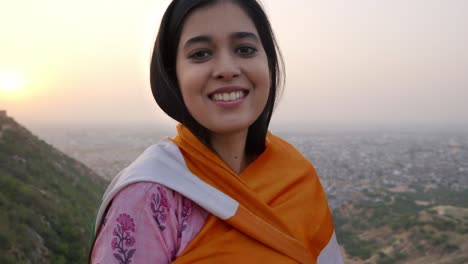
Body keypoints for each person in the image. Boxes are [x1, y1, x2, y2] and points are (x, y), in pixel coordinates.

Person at [90, 0, 343, 263]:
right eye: (200, 53)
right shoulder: (148, 197)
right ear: (172, 74)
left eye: (245, 49)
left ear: (268, 63)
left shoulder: (296, 178)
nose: (227, 70)